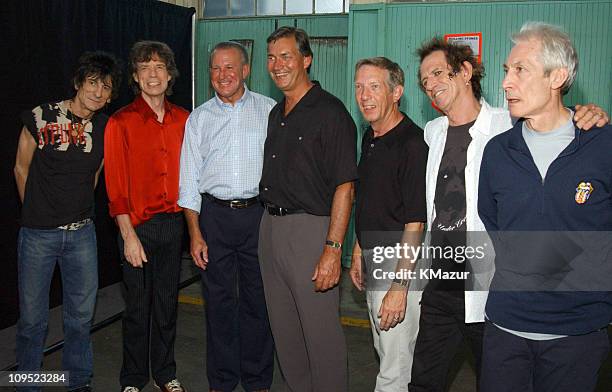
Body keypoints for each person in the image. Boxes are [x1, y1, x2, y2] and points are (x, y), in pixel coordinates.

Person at [409, 36, 609, 392]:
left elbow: (554, 125)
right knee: (425, 380)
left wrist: (587, 112)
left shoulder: (505, 125)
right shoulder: (432, 132)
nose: (430, 85)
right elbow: (491, 213)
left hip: (491, 288)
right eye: (424, 81)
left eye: (438, 73)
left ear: (465, 72)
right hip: (443, 280)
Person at [478, 22, 611, 392]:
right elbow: (494, 222)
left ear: (558, 77)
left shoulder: (602, 145)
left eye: (520, 70)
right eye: (507, 70)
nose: (506, 82)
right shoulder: (498, 153)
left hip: (579, 334)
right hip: (505, 329)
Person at [13, 51, 121, 392]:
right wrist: (36, 210)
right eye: (92, 83)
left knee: (79, 319)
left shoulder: (106, 127)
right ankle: (29, 383)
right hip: (37, 236)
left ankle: (78, 382)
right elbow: (20, 168)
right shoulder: (41, 115)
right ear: (78, 83)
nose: (98, 93)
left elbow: (95, 177)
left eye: (105, 87)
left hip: (82, 236)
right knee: (32, 321)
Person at [258, 26, 358, 392]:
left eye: (286, 56)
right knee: (285, 332)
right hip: (269, 228)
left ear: (306, 59)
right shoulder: (275, 113)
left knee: (321, 336)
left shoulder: (331, 113)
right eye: (271, 58)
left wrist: (333, 249)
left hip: (311, 232)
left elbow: (345, 186)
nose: (277, 65)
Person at [178, 41, 275, 392]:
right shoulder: (199, 118)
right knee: (218, 304)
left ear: (246, 70)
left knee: (258, 301)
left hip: (258, 218)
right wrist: (195, 232)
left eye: (230, 67)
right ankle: (221, 381)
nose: (223, 75)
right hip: (214, 219)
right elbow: (188, 180)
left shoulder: (269, 111)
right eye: (216, 68)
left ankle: (257, 380)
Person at [104, 41, 189, 392]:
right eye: (145, 68)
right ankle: (134, 378)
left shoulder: (185, 119)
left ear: (169, 75)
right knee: (137, 311)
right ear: (136, 78)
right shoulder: (120, 122)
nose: (152, 74)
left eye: (159, 67)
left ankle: (165, 373)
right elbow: (116, 188)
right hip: (137, 228)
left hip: (174, 226)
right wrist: (128, 237)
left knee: (167, 307)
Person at [348, 57, 427, 391]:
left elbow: (416, 221)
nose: (364, 95)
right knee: (385, 351)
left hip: (400, 261)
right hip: (374, 255)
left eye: (374, 86)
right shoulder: (371, 136)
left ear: (397, 92)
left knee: (396, 366)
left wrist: (399, 286)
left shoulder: (412, 144)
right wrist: (357, 250)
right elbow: (368, 200)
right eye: (359, 87)